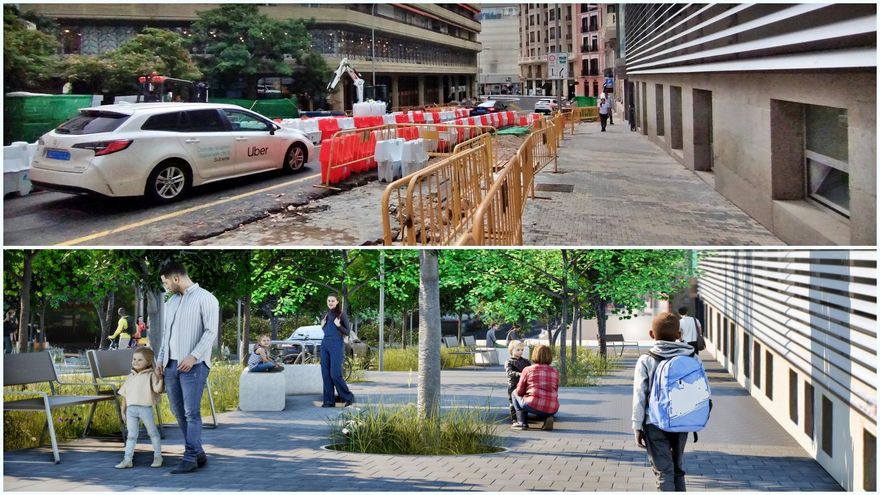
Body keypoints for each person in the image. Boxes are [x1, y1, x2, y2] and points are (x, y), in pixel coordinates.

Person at [155, 261, 219, 474]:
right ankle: (198, 452)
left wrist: (194, 356)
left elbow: (210, 332)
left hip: (194, 366)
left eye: (165, 283)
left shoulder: (207, 299)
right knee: (177, 411)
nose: (165, 287)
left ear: (176, 278)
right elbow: (166, 335)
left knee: (192, 412)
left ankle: (190, 457)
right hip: (171, 365)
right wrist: (160, 360)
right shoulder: (171, 302)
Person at [632, 312, 700, 491]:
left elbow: (640, 395)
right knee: (677, 469)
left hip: (653, 422)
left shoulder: (646, 359)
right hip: (682, 420)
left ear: (651, 334)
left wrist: (637, 425)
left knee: (663, 470)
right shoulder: (692, 357)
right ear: (679, 335)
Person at [115, 347, 164, 469]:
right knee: (131, 435)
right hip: (131, 410)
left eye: (139, 360)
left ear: (148, 362)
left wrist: (161, 379)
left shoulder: (151, 375)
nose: (135, 362)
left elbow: (158, 389)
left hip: (145, 408)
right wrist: (123, 410)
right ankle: (127, 459)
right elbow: (125, 395)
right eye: (134, 359)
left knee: (152, 433)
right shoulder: (131, 376)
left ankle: (158, 457)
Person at [511, 344, 559, 431]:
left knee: (514, 393)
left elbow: (519, 391)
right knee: (543, 405)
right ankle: (547, 418)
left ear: (534, 355)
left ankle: (522, 422)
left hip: (532, 404)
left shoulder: (528, 369)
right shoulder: (555, 371)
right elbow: (555, 390)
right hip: (553, 408)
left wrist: (526, 392)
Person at [319, 294, 355, 408]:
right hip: (325, 344)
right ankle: (329, 401)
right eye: (328, 300)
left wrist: (339, 326)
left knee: (335, 374)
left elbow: (347, 332)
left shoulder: (341, 315)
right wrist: (322, 326)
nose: (330, 302)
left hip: (336, 344)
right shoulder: (325, 315)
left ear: (337, 302)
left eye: (332, 301)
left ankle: (348, 398)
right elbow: (326, 330)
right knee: (325, 374)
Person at [505, 340, 532, 421]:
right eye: (518, 350)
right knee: (513, 401)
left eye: (522, 350)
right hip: (513, 384)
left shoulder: (525, 361)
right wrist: (519, 374)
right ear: (511, 350)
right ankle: (514, 418)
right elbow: (509, 372)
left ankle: (523, 416)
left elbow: (531, 368)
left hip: (523, 384)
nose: (520, 352)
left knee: (523, 399)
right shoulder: (509, 361)